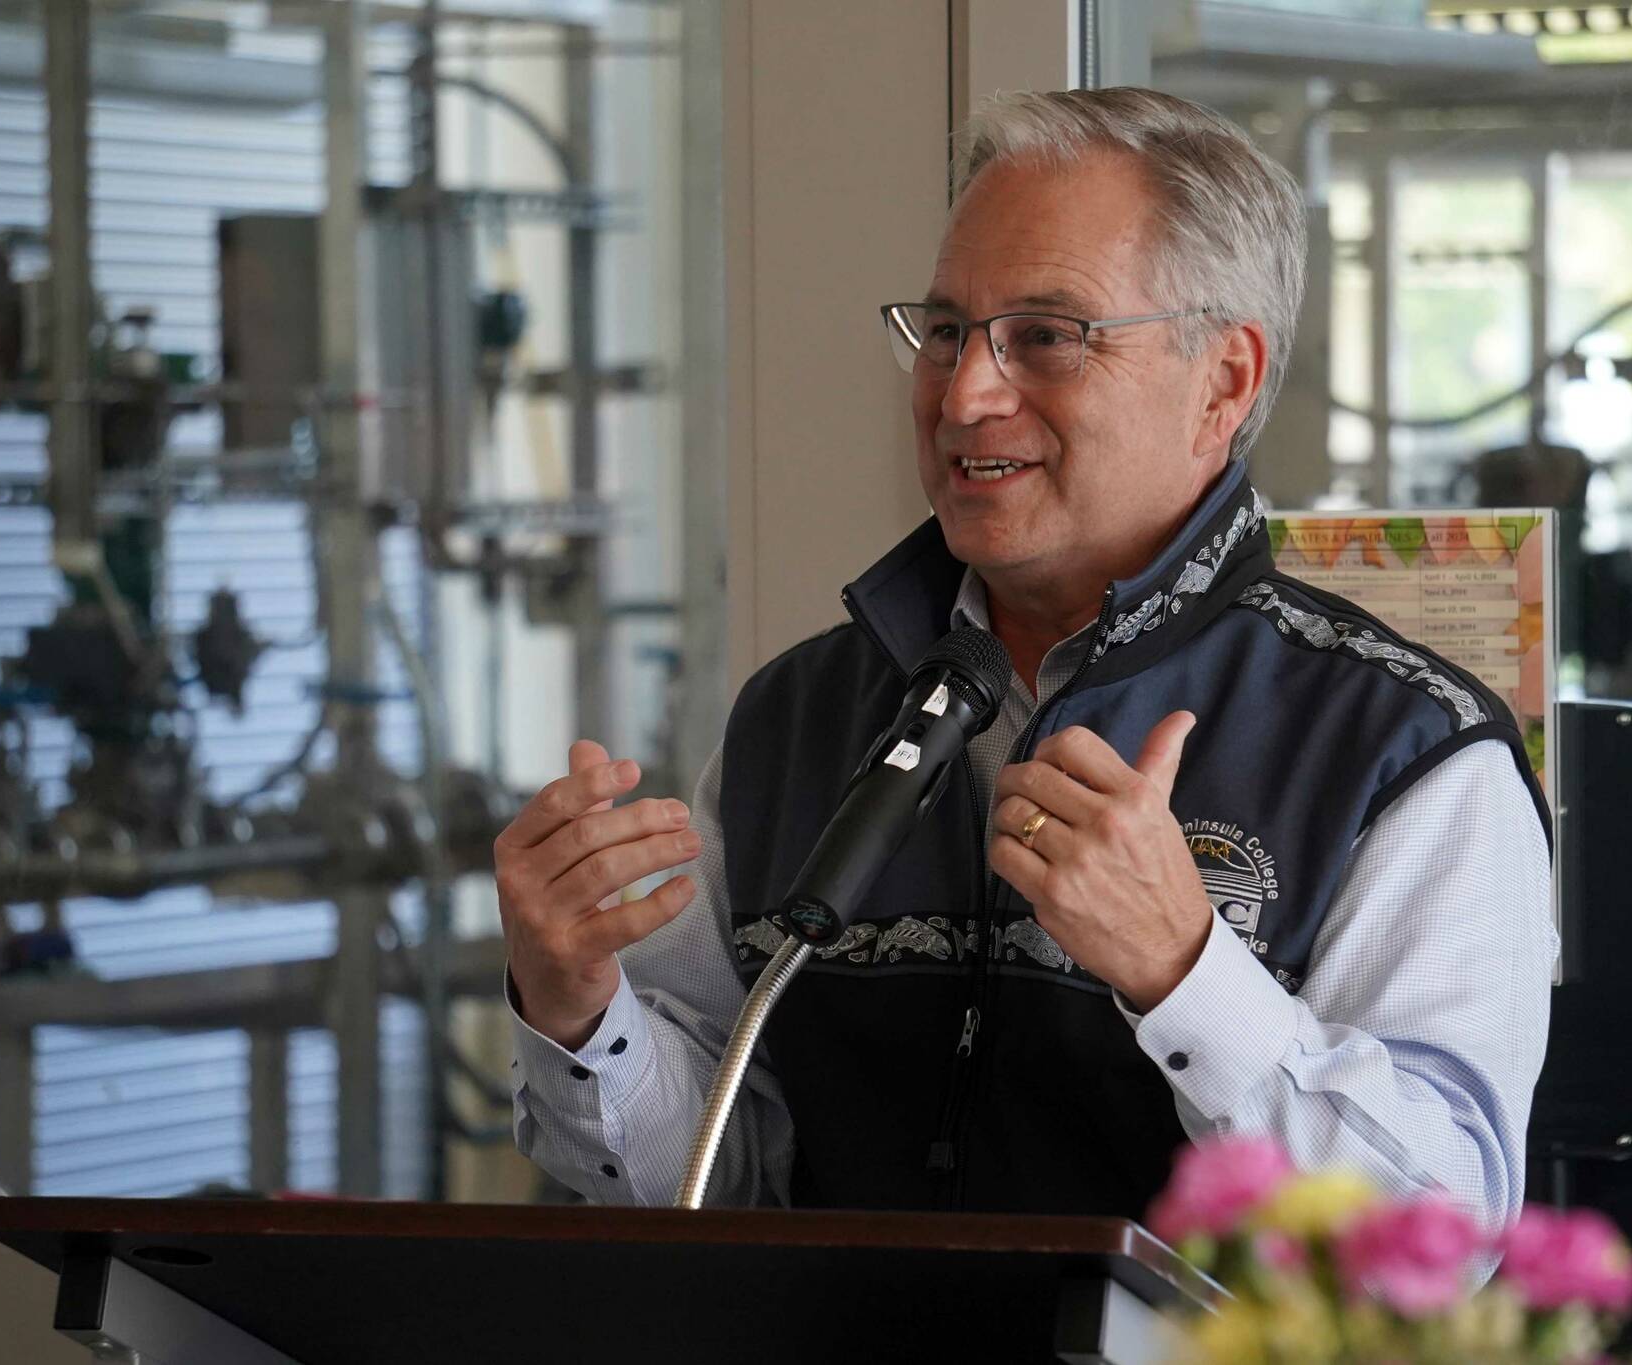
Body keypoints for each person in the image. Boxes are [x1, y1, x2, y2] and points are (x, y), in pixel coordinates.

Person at [495, 87, 1555, 1226]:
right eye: (945, 331)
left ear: (1224, 382)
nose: (964, 394)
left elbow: (1438, 1244)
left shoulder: (1407, 754)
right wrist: (573, 1006)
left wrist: (1185, 972)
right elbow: (719, 1170)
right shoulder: (794, 714)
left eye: (1046, 337)